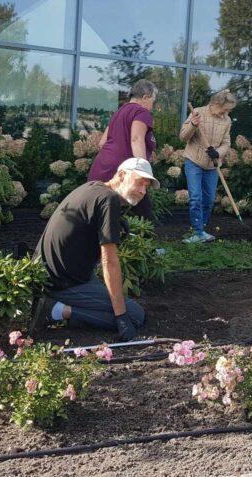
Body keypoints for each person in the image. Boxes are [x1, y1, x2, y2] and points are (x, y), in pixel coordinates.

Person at [31, 157, 160, 341]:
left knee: (115, 302)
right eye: (140, 182)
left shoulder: (94, 187)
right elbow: (109, 261)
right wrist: (121, 316)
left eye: (146, 186)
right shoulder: (109, 200)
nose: (143, 191)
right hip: (61, 282)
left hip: (51, 273)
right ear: (122, 175)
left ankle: (59, 305)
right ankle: (55, 310)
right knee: (134, 315)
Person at [88, 79, 158, 220]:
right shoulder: (142, 112)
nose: (152, 106)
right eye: (153, 101)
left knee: (99, 214)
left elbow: (102, 143)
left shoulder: (119, 112)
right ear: (145, 97)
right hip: (123, 172)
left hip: (101, 166)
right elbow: (136, 139)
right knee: (144, 217)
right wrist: (143, 172)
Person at [179, 89, 237, 243]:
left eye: (229, 111)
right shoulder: (198, 113)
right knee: (196, 197)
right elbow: (183, 137)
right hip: (194, 161)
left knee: (209, 200)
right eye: (225, 109)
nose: (226, 113)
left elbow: (226, 143)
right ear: (216, 104)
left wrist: (217, 153)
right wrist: (193, 124)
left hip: (212, 165)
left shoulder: (227, 121)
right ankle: (197, 232)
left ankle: (201, 230)